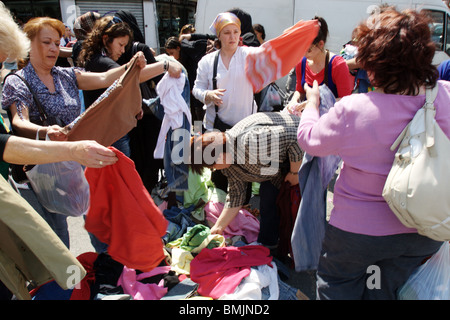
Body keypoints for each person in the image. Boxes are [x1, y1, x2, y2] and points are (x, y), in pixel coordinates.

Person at [297, 8, 450, 299]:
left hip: (356, 234)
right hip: (425, 228)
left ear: (372, 61)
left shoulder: (355, 109)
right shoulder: (445, 96)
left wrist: (313, 103)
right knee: (383, 289)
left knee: (337, 285)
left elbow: (309, 140)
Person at [1, 16, 148, 248]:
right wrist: (46, 132)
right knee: (55, 235)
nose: (53, 48)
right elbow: (20, 121)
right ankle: (62, 280)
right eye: (46, 42)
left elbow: (104, 78)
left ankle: (106, 270)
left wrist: (131, 65)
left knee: (97, 218)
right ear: (29, 43)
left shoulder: (65, 75)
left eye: (57, 42)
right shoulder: (17, 81)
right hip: (41, 168)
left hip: (76, 161)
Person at [189, 112, 303, 251]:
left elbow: (296, 138)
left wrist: (294, 173)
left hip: (305, 151)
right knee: (269, 200)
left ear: (219, 157)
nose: (214, 170)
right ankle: (269, 248)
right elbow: (236, 197)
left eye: (212, 166)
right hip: (277, 170)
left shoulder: (250, 142)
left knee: (301, 210)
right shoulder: (228, 166)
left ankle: (304, 253)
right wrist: (218, 228)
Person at [78, 15, 182, 157]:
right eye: (120, 45)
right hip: (111, 135)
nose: (122, 50)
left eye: (125, 46)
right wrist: (165, 65)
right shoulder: (100, 62)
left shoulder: (94, 58)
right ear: (105, 39)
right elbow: (131, 77)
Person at [114, 10, 164, 194]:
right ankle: (145, 195)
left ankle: (139, 192)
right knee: (148, 154)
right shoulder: (138, 49)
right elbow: (159, 79)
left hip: (131, 113)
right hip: (143, 113)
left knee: (138, 156)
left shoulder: (124, 51)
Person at [286, 16, 353, 113]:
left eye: (308, 50)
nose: (304, 54)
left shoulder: (337, 65)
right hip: (308, 115)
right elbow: (299, 91)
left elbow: (345, 100)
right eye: (301, 49)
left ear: (321, 44)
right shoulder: (302, 62)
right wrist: (294, 100)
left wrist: (314, 102)